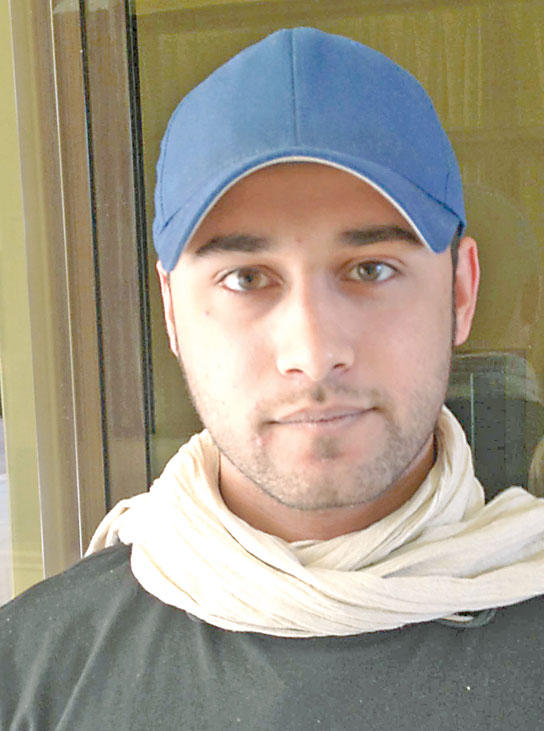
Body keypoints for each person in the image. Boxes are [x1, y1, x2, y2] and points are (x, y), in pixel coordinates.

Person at [2, 27, 544, 730]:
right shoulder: (33, 676)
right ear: (172, 312)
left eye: (371, 269)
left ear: (460, 292)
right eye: (246, 278)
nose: (313, 353)